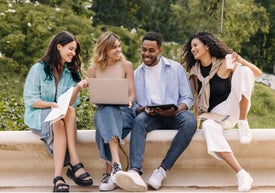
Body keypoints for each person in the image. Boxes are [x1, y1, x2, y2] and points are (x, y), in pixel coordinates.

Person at [114, 32, 197, 192]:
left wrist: (176, 110)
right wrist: (144, 109)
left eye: (151, 50)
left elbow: (187, 97)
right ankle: (135, 171)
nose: (146, 54)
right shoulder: (137, 74)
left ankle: (161, 171)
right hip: (151, 116)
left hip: (174, 114)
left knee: (190, 122)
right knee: (138, 121)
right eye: (144, 50)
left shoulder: (175, 68)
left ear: (160, 50)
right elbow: (134, 104)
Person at [180, 31, 262, 192]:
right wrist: (195, 126)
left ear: (207, 46)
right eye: (191, 47)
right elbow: (198, 103)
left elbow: (256, 74)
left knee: (244, 70)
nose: (192, 49)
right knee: (208, 125)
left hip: (234, 107)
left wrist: (241, 60)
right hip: (215, 114)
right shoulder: (195, 73)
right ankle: (242, 173)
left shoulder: (225, 62)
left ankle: (243, 122)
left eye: (195, 45)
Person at [23, 31, 93, 192]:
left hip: (61, 114)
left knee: (70, 111)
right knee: (58, 123)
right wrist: (51, 105)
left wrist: (77, 87)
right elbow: (31, 100)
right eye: (70, 48)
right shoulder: (38, 69)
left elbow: (71, 102)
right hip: (38, 114)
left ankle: (66, 169)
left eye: (75, 50)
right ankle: (67, 170)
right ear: (59, 47)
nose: (73, 53)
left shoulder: (70, 72)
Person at [87, 31, 135, 191]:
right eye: (114, 47)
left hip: (124, 111)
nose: (118, 50)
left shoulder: (126, 66)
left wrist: (128, 100)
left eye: (119, 46)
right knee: (105, 110)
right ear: (104, 49)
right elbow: (93, 99)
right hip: (103, 110)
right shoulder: (92, 70)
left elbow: (132, 94)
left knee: (104, 118)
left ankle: (112, 170)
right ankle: (116, 167)